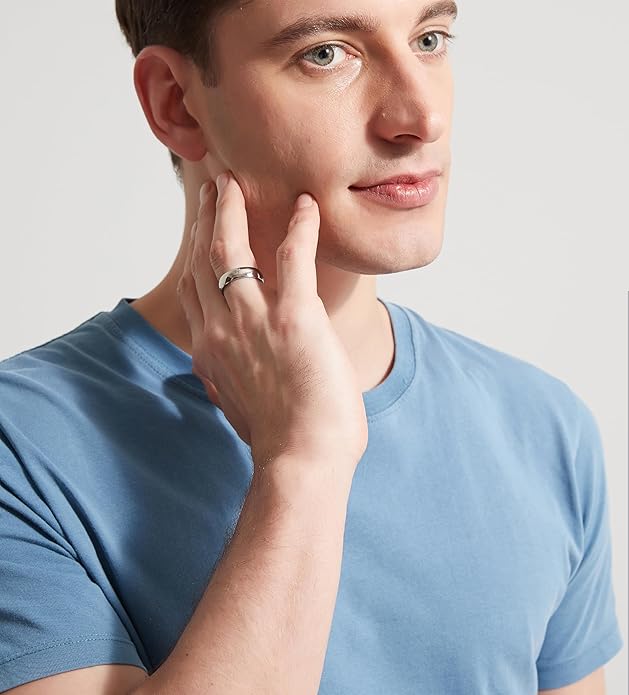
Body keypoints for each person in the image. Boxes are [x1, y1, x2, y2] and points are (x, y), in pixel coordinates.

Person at [0, 1, 623, 693]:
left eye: (429, 39)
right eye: (325, 53)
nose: (421, 116)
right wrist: (303, 464)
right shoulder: (20, 447)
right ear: (176, 103)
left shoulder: (544, 428)